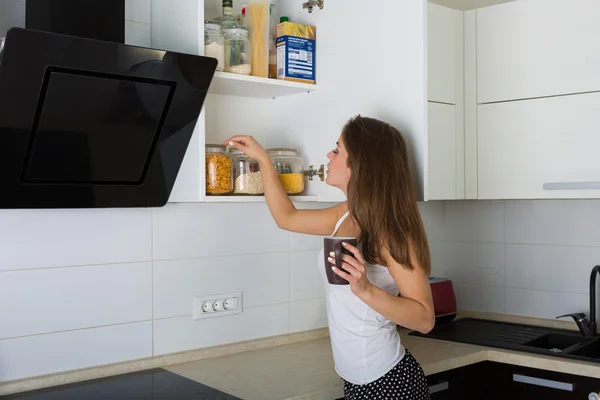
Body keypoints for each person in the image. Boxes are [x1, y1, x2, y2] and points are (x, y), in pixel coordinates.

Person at [224, 115, 434, 400]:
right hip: (355, 380)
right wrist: (263, 160)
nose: (328, 155)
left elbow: (424, 319)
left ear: (359, 164)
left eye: (337, 150)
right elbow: (287, 218)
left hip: (389, 383)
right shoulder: (346, 214)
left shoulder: (391, 232)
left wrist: (366, 290)